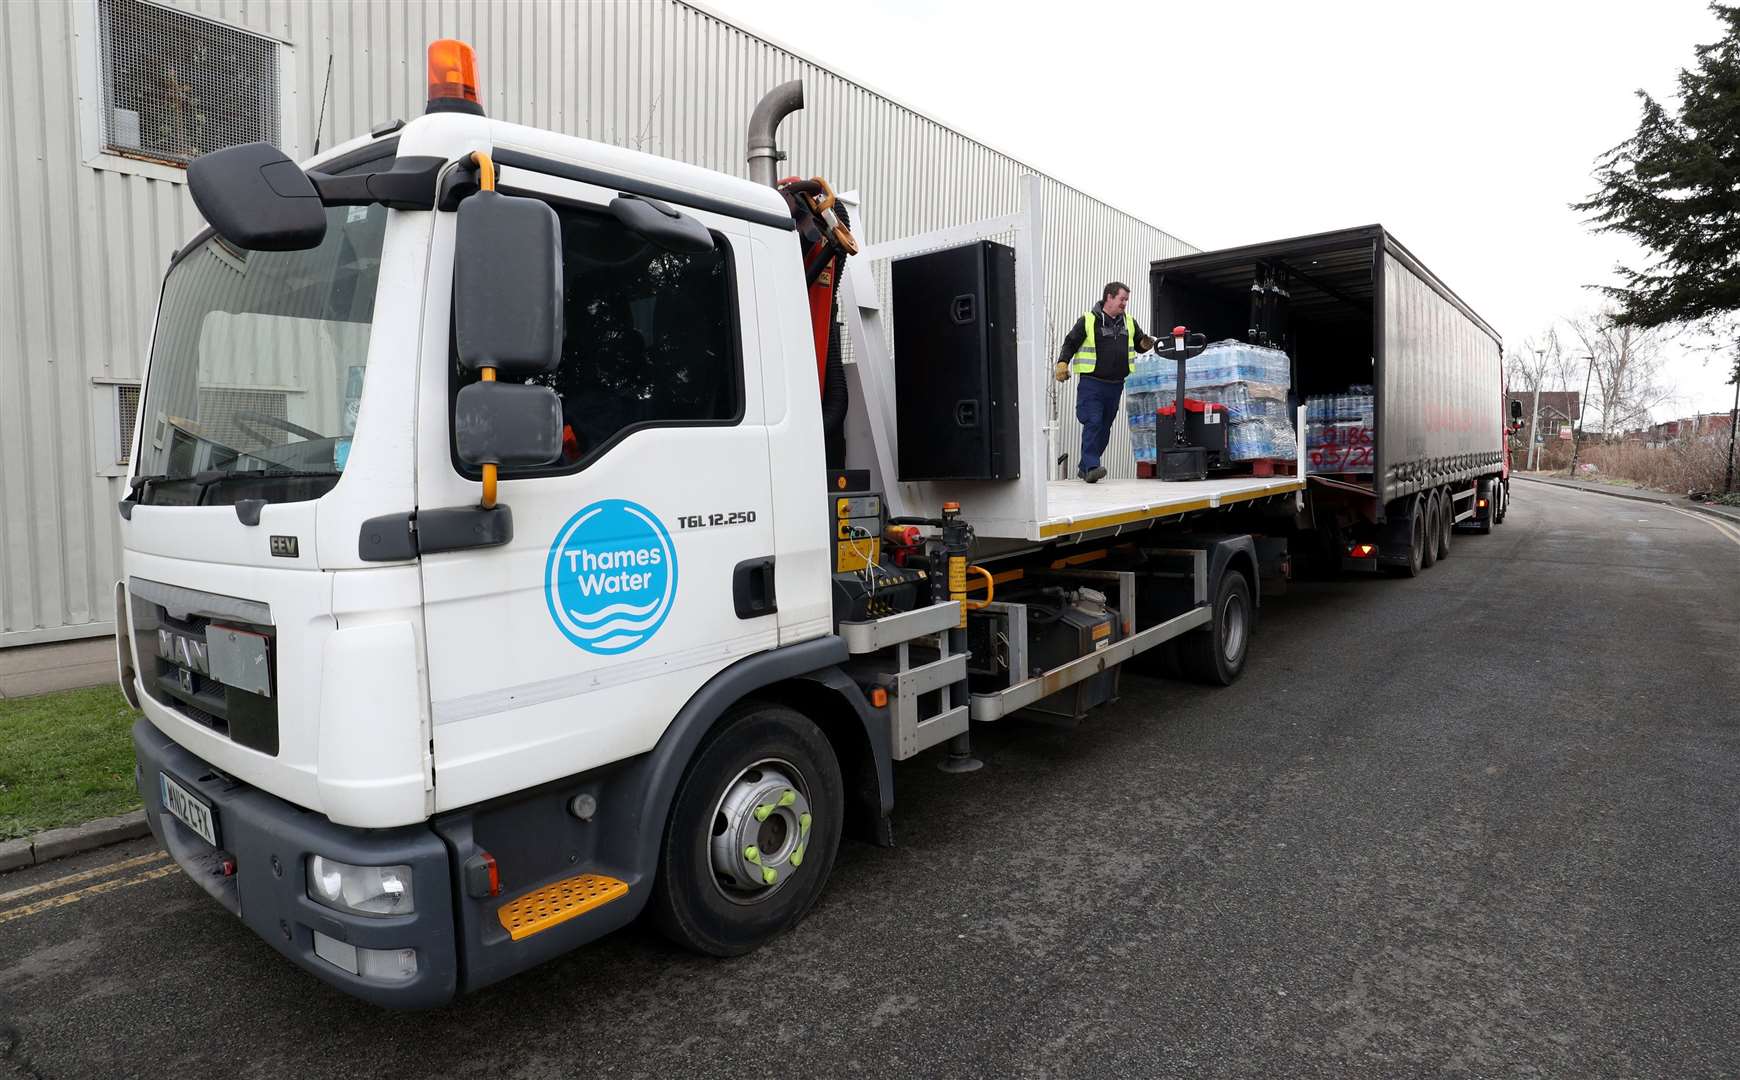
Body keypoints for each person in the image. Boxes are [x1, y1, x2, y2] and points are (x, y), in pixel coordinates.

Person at [1055, 282, 1155, 482]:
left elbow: (1139, 344)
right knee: (1093, 421)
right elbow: (1070, 342)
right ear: (1109, 297)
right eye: (1122, 299)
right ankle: (1092, 466)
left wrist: (1145, 344)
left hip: (1115, 385)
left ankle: (1085, 468)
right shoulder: (1089, 320)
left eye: (1126, 300)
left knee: (1105, 426)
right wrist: (1062, 362)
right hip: (1092, 383)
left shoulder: (1129, 322)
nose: (1125, 303)